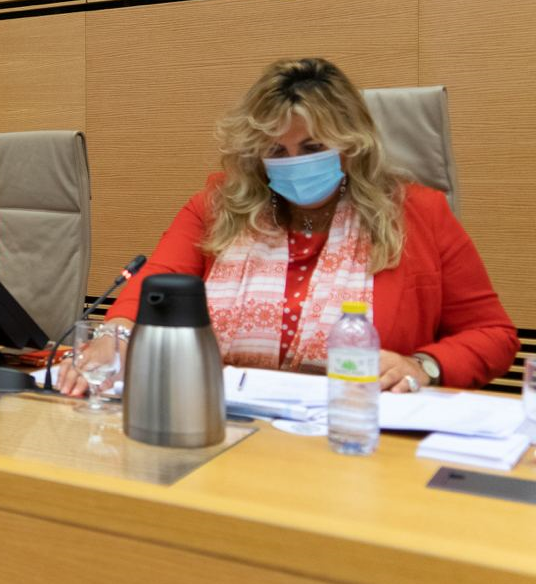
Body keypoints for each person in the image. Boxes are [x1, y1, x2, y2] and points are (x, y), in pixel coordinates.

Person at [61, 58, 517, 396]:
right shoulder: (220, 207)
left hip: (358, 432)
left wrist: (423, 366)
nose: (294, 162)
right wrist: (114, 337)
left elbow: (493, 336)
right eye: (277, 151)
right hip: (231, 427)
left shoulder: (416, 213)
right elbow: (153, 288)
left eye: (313, 147)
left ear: (351, 146)